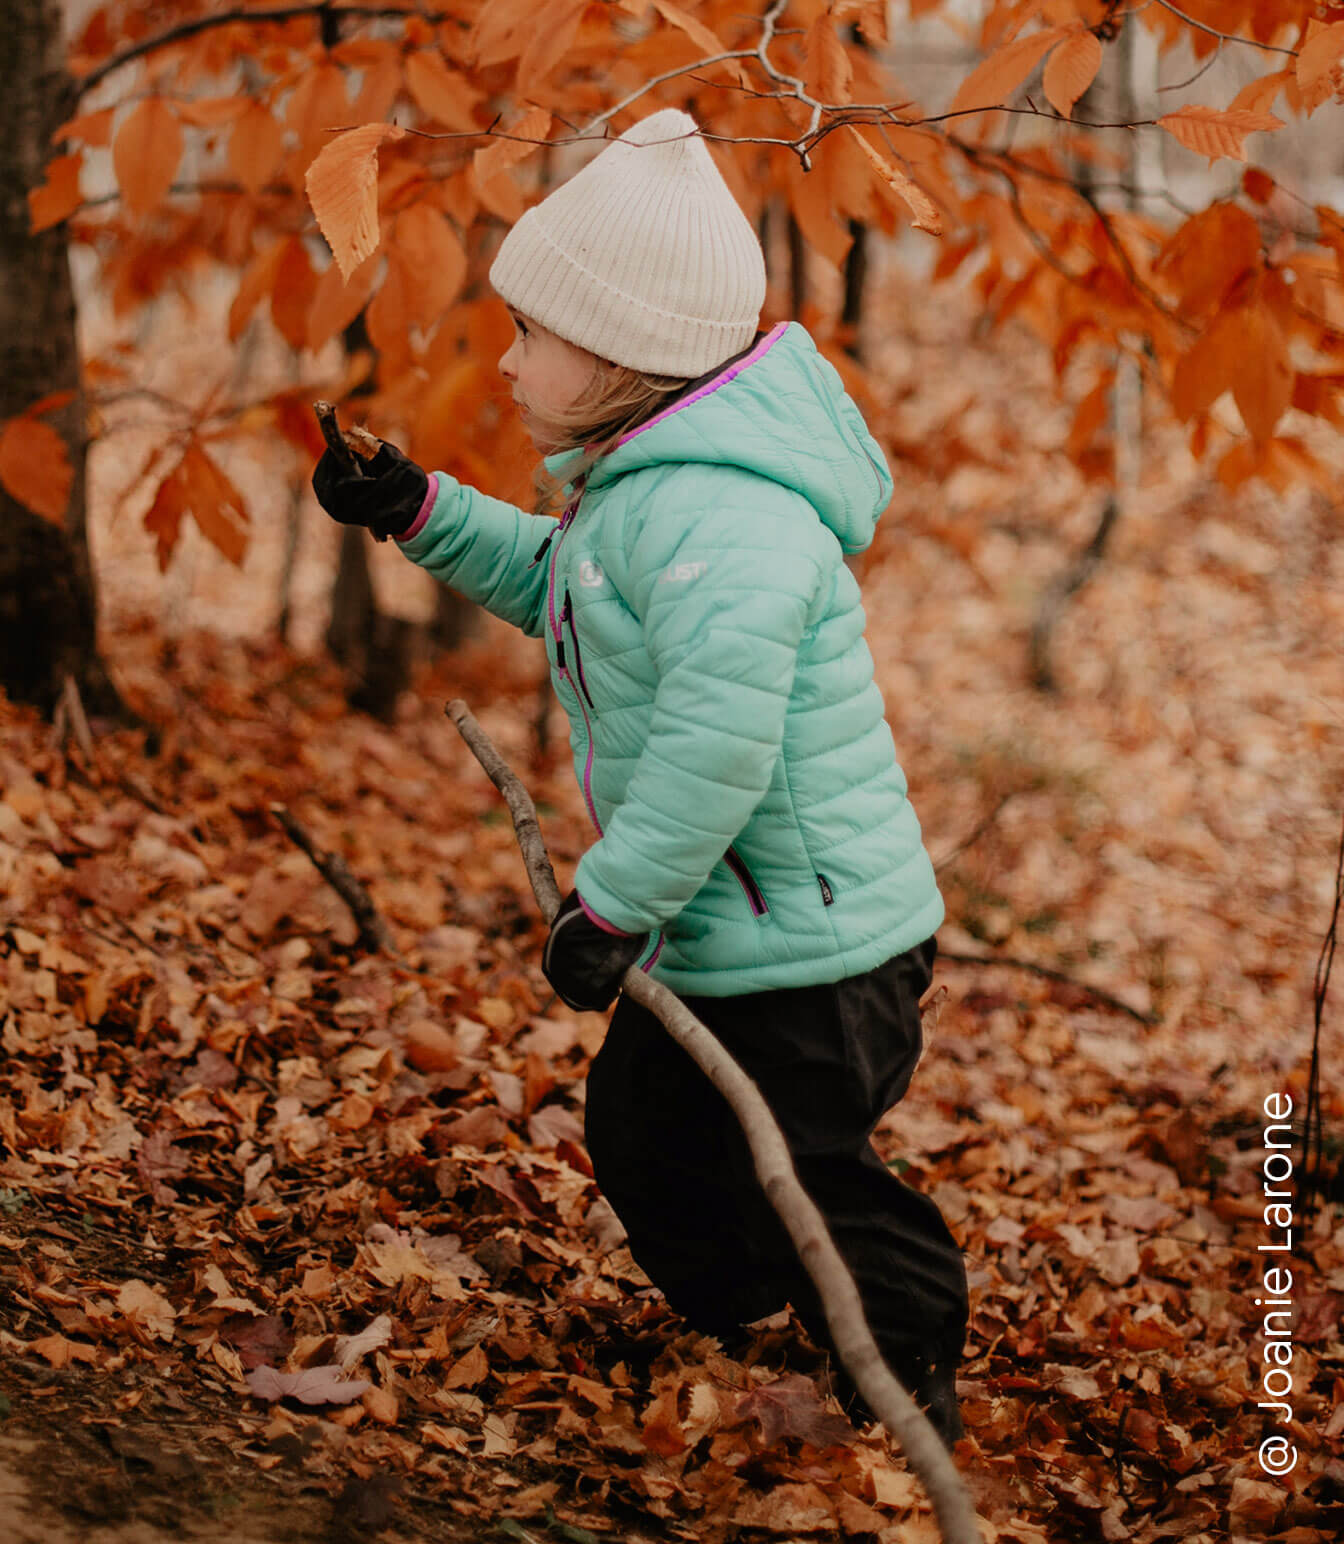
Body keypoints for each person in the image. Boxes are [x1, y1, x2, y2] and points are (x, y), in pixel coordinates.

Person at [312, 108, 968, 1446]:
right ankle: (741, 1303)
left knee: (806, 1173)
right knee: (646, 1129)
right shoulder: (645, 487)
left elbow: (716, 750)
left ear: (623, 354)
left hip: (821, 951)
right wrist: (417, 510)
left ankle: (904, 1378)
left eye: (531, 337)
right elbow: (565, 585)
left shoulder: (730, 520)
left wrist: (611, 905)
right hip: (739, 935)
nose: (505, 362)